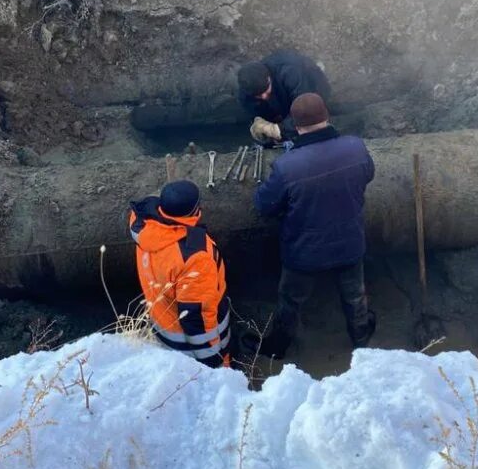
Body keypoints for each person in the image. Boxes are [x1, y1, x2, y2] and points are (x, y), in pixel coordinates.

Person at [252, 93, 375, 358]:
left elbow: (264, 206)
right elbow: (368, 175)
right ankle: (361, 340)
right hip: (349, 243)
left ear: (294, 125)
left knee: (291, 301)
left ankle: (277, 347)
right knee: (355, 297)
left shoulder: (286, 166)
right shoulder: (355, 146)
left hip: (304, 252)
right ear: (327, 115)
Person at [128, 180, 231, 367]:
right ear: (195, 210)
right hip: (190, 345)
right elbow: (196, 316)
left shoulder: (142, 223)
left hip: (161, 323)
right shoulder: (196, 257)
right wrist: (214, 362)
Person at [237, 49, 331, 144]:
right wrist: (259, 123)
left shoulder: (291, 72)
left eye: (266, 90)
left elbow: (306, 109)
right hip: (281, 95)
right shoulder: (246, 92)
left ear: (269, 77)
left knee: (311, 121)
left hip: (311, 85)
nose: (264, 96)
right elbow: (254, 112)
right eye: (258, 95)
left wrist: (280, 128)